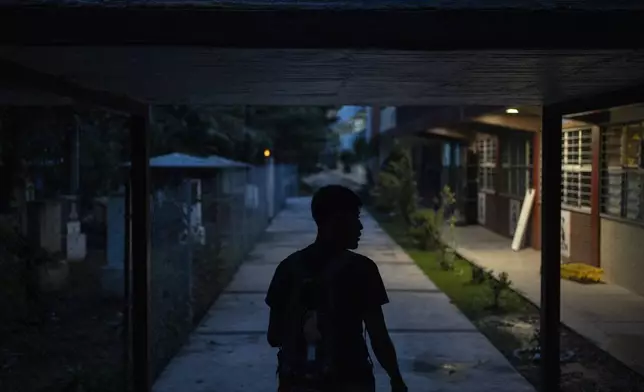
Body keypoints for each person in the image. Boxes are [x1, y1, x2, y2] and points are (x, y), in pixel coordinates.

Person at [265, 185, 408, 392]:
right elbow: (378, 336)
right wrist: (396, 378)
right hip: (351, 381)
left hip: (298, 383)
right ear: (337, 221)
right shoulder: (362, 269)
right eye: (355, 218)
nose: (360, 227)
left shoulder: (288, 268)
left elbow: (274, 336)